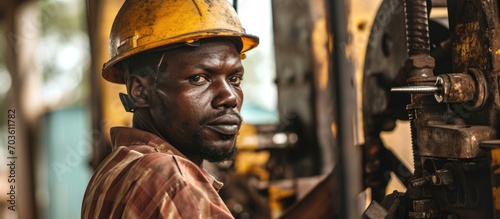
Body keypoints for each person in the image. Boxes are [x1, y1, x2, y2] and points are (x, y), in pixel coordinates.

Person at [82, 0, 338, 218]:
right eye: (199, 79)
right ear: (140, 91)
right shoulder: (171, 180)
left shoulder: (113, 171)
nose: (229, 97)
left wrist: (335, 185)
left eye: (235, 79)